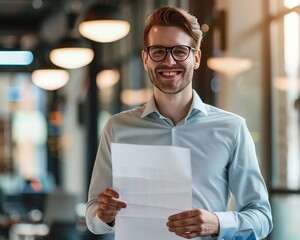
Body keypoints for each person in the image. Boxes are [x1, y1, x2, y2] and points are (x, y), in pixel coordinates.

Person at [86, 6, 273, 239]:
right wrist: (104, 214)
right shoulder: (117, 128)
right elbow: (94, 216)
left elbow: (262, 217)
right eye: (158, 52)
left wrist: (217, 222)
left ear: (195, 58)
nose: (169, 61)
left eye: (180, 51)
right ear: (145, 59)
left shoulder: (232, 128)